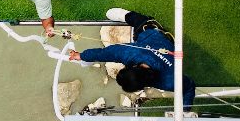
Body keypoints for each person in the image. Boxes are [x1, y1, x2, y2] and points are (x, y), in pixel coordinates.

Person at [67, 8, 196, 108]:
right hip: (154, 35)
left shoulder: (168, 81)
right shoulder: (129, 53)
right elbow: (102, 53)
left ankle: (128, 17)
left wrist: (185, 112)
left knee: (141, 27)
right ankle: (125, 14)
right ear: (133, 67)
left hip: (160, 39)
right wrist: (81, 55)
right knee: (139, 22)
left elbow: (190, 87)